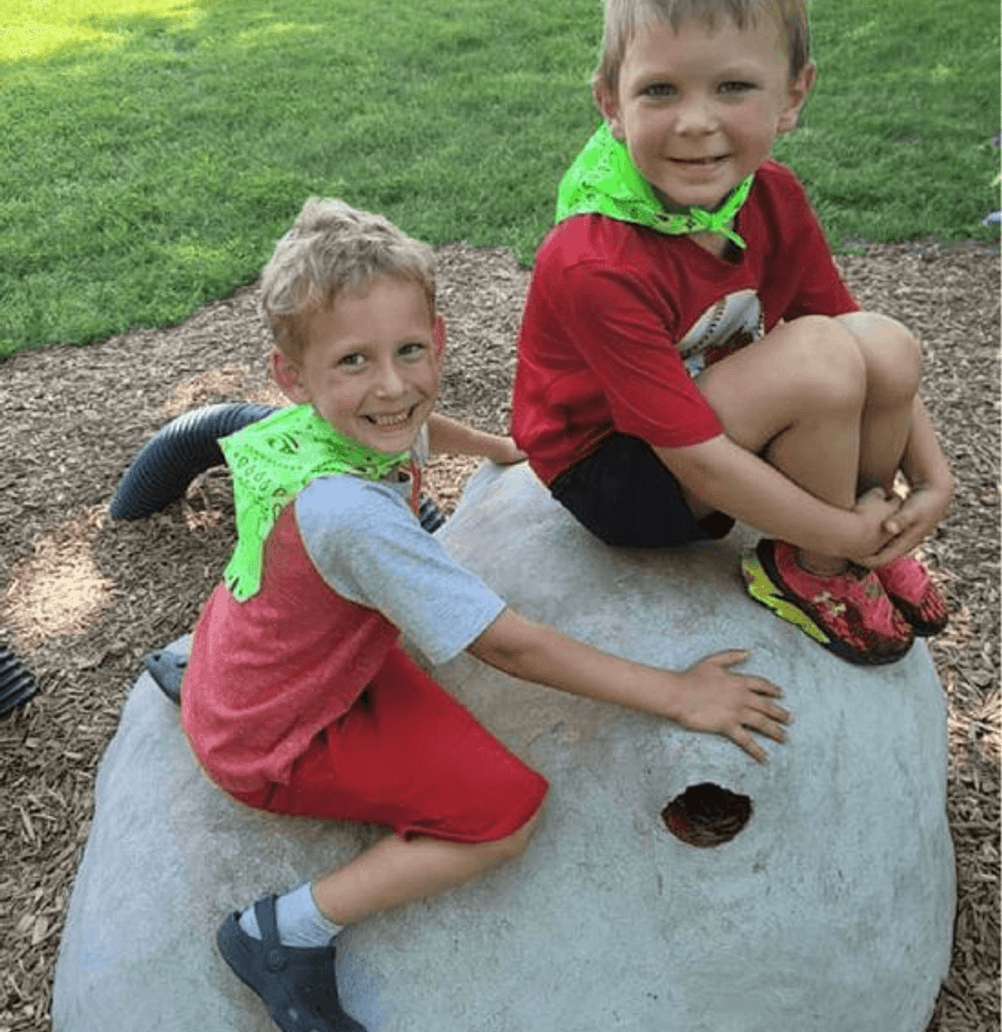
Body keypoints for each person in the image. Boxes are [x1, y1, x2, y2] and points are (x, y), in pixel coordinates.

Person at [179, 197, 790, 1032]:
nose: (392, 385)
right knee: (501, 817)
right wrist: (677, 694)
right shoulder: (351, 517)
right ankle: (283, 931)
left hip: (269, 663)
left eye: (409, 351)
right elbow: (508, 647)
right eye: (354, 360)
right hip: (281, 738)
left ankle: (202, 682)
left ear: (437, 339)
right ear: (293, 376)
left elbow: (413, 422)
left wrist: (500, 448)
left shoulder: (327, 425)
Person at [511, 0, 954, 668]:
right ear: (610, 103)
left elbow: (852, 330)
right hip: (614, 471)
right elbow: (695, 459)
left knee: (884, 344)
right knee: (821, 358)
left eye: (734, 86)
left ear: (792, 95)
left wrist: (930, 482)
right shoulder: (592, 260)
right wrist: (839, 532)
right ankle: (817, 565)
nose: (696, 122)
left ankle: (871, 526)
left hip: (708, 421)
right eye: (660, 90)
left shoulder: (771, 194)